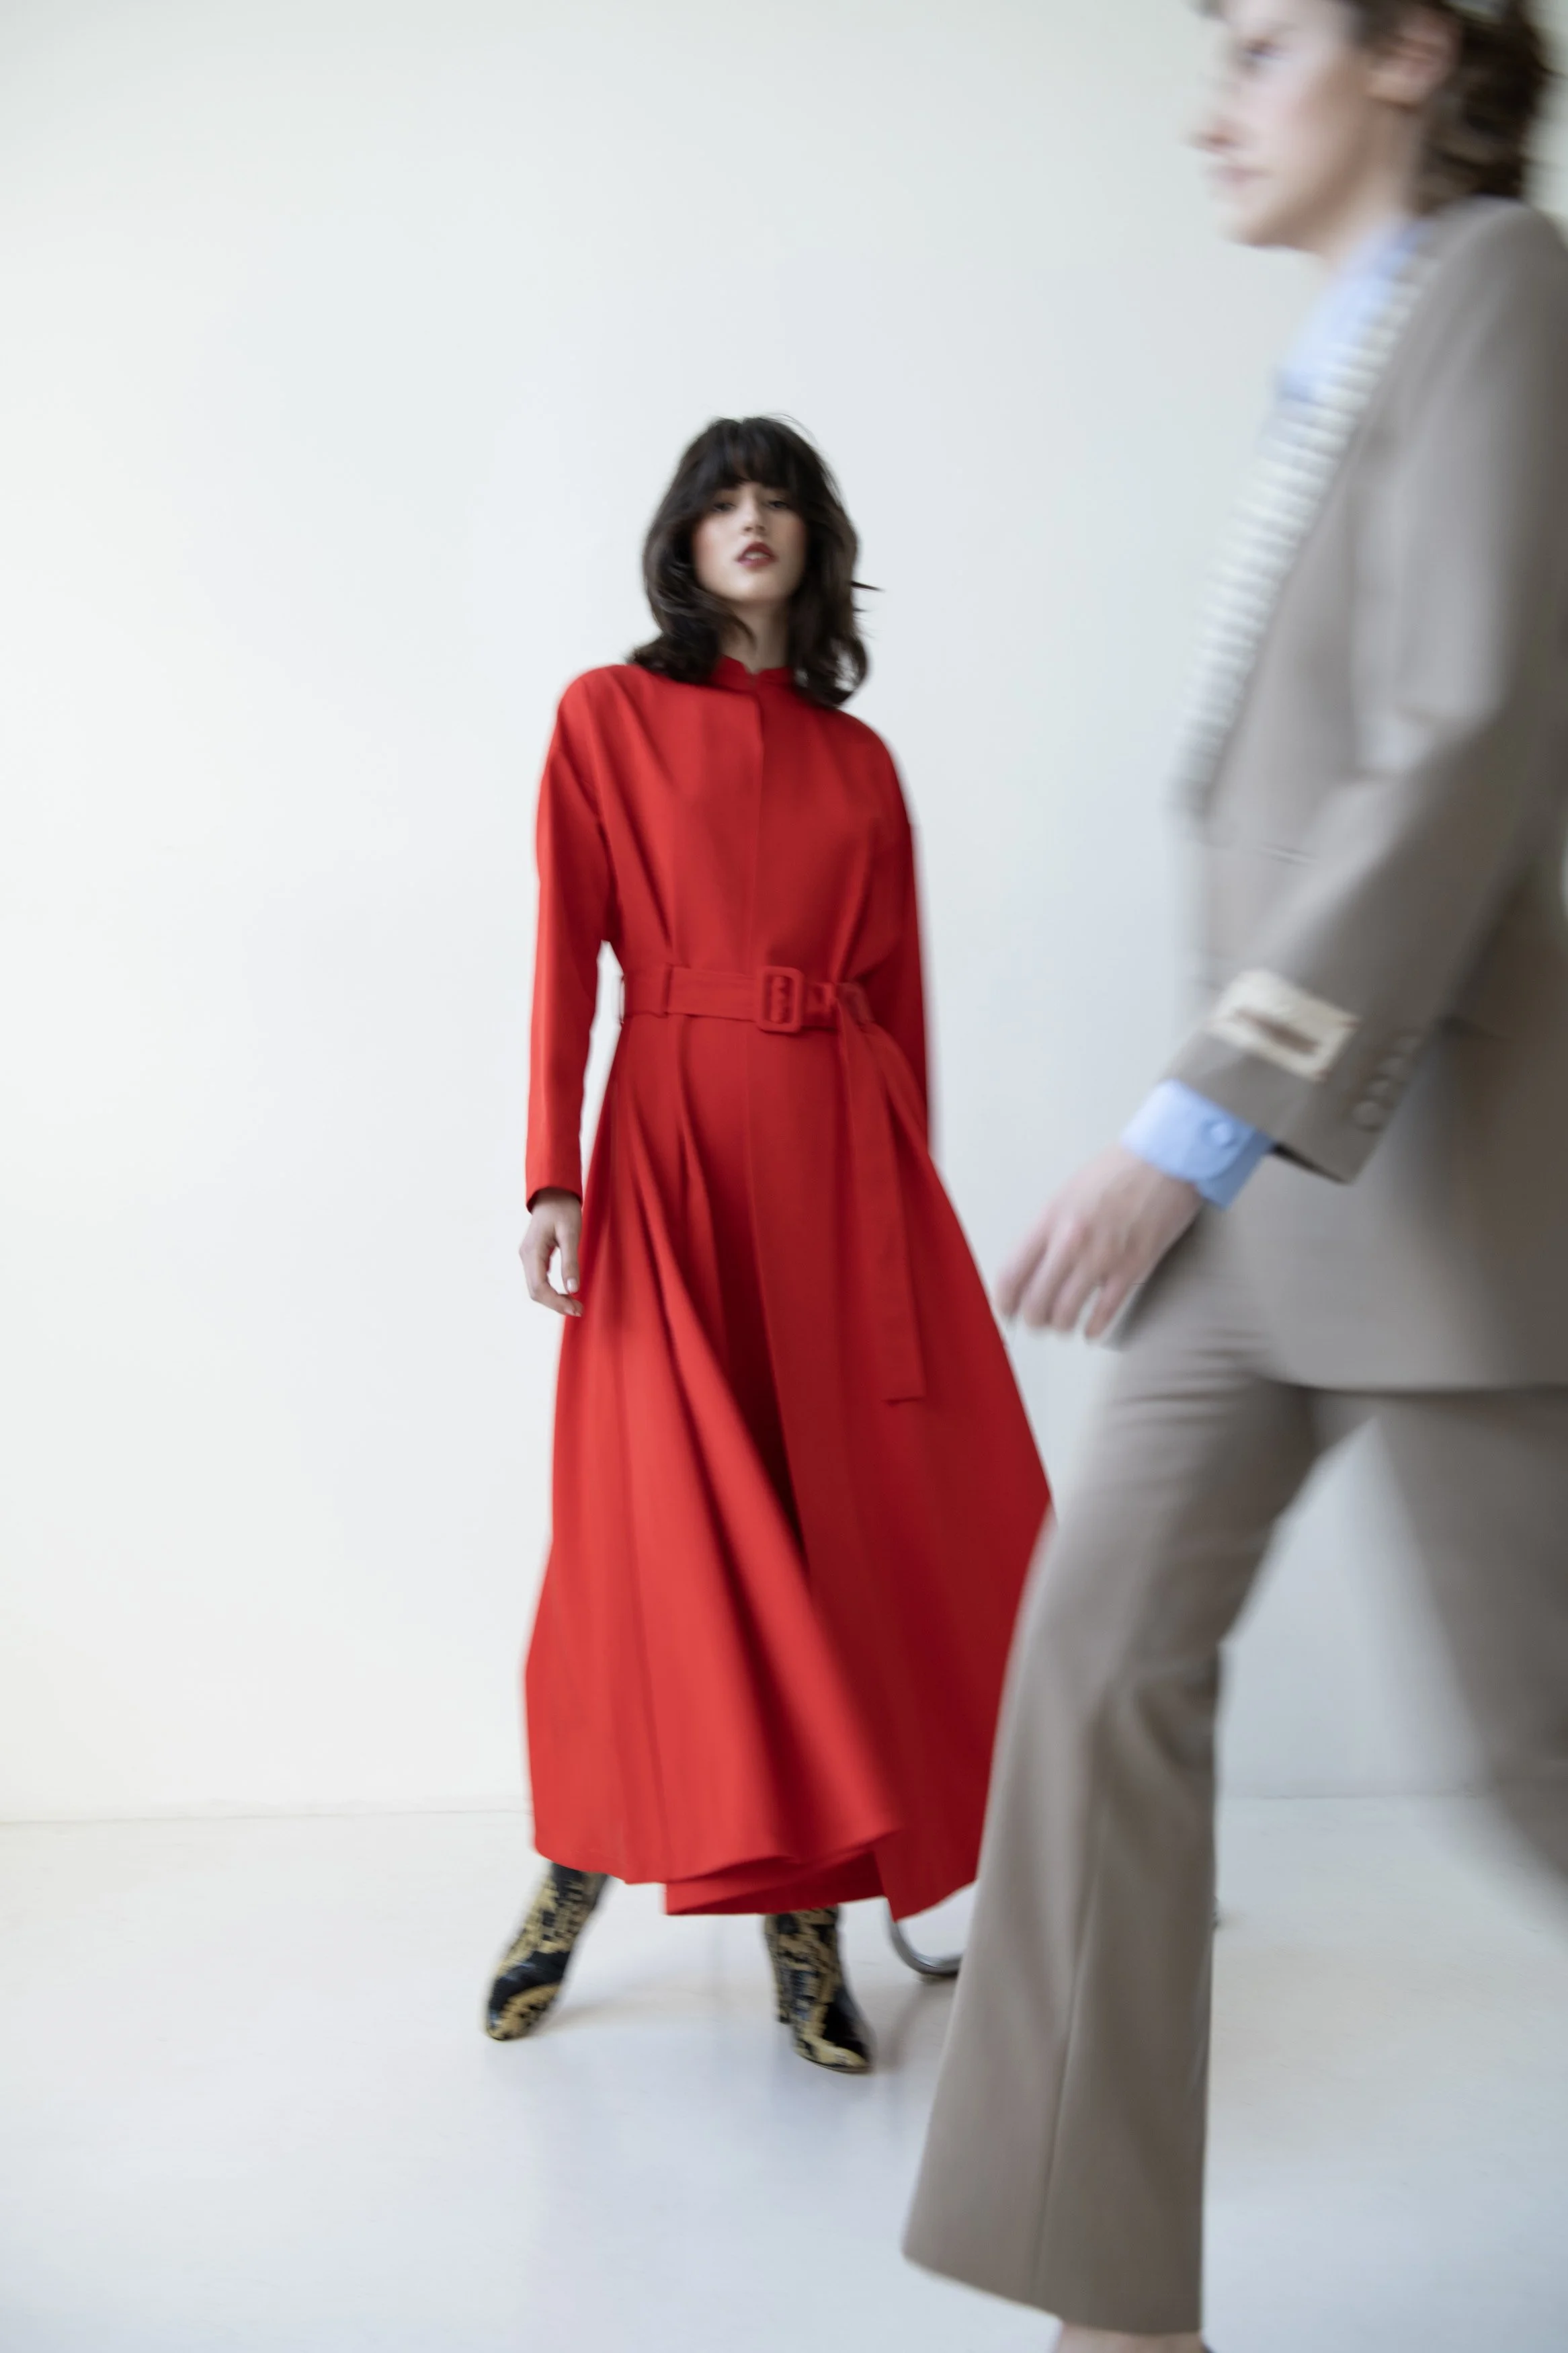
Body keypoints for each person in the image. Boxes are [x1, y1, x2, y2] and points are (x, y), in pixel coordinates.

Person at [904, 0, 1567, 2343]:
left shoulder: (1497, 288)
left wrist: (1188, 1120)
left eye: (1263, 42)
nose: (1215, 97)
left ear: (1414, 53)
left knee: (1542, 1767)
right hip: (1277, 1203)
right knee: (1088, 1677)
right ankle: (1115, 2314)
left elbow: (1462, 734)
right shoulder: (1330, 366)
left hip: (1431, 1183)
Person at [485, 417, 1050, 2073]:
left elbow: (897, 1007)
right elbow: (562, 955)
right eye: (721, 500)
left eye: (777, 500)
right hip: (663, 1149)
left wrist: (902, 1208)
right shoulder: (605, 715)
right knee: (638, 1534)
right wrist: (550, 1173)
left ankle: (807, 1931)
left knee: (827, 1534)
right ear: (681, 535)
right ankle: (572, 1872)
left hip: (831, 1165)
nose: (750, 521)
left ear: (813, 539)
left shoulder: (859, 764)